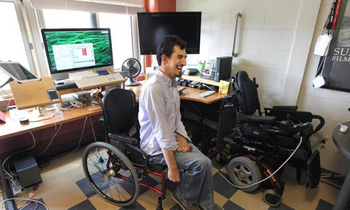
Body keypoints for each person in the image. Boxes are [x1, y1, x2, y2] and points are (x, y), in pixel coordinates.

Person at [138, 35, 222, 210]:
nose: (184, 62)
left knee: (205, 160)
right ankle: (184, 195)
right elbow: (161, 131)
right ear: (164, 58)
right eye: (179, 57)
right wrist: (172, 167)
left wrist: (183, 142)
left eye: (185, 57)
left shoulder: (172, 84)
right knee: (203, 164)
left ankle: (207, 206)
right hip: (156, 147)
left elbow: (176, 120)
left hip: (171, 139)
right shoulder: (154, 88)